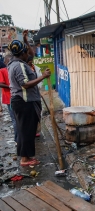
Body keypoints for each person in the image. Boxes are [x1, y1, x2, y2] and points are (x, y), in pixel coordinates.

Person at [7, 30, 51, 166]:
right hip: (25, 102)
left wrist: (26, 40)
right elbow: (25, 85)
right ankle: (25, 159)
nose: (29, 54)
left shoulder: (14, 63)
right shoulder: (20, 66)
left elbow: (31, 54)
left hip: (22, 102)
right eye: (26, 52)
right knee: (26, 131)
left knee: (24, 130)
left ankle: (25, 157)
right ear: (22, 54)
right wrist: (42, 76)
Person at [0, 54, 17, 143]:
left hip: (18, 97)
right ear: (5, 62)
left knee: (18, 119)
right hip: (9, 98)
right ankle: (17, 139)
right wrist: (11, 86)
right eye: (8, 61)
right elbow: (0, 83)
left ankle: (19, 138)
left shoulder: (14, 69)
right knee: (14, 119)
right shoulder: (3, 71)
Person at [26, 56, 43, 137]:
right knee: (31, 114)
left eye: (31, 61)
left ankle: (36, 130)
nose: (30, 63)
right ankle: (31, 130)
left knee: (38, 112)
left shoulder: (35, 68)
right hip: (30, 95)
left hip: (36, 93)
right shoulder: (24, 69)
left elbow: (39, 80)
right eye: (29, 62)